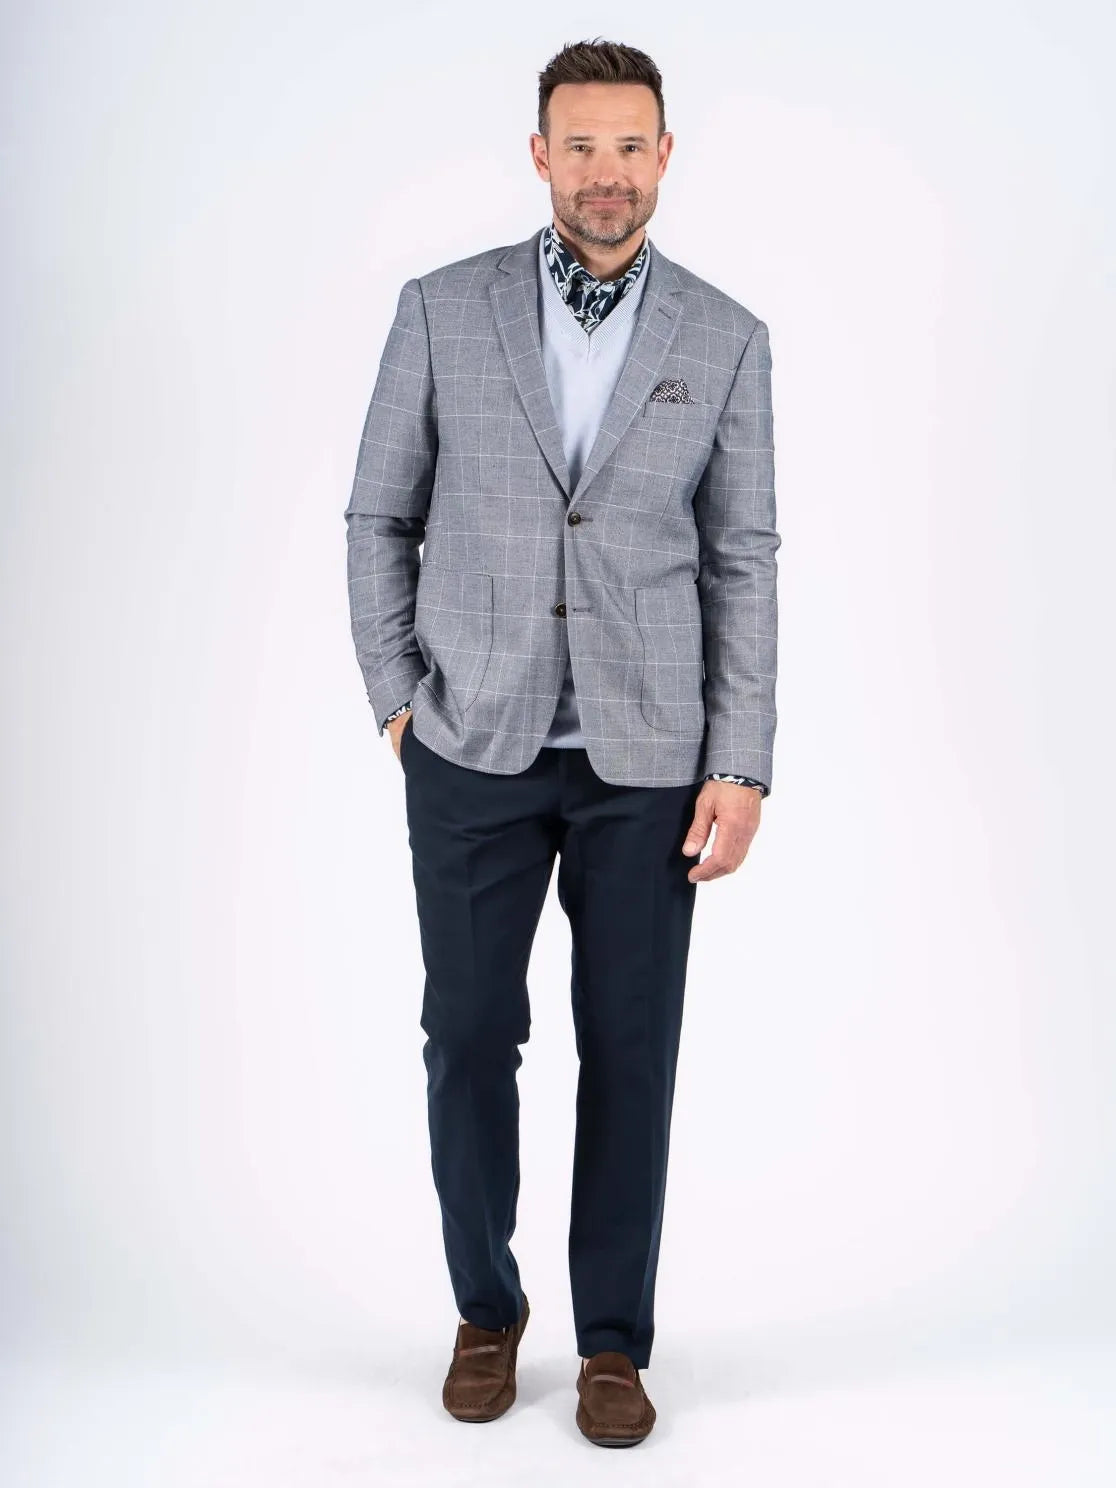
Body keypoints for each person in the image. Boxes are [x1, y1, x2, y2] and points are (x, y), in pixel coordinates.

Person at [344, 37, 779, 1447]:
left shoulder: (726, 338)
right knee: (470, 1035)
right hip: (470, 741)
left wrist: (741, 759)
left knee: (632, 1052)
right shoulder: (441, 309)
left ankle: (612, 1345)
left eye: (629, 146)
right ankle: (486, 1308)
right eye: (580, 145)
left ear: (666, 156)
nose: (606, 172)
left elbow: (743, 558)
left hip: (648, 761)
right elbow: (379, 515)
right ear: (540, 155)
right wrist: (400, 701)